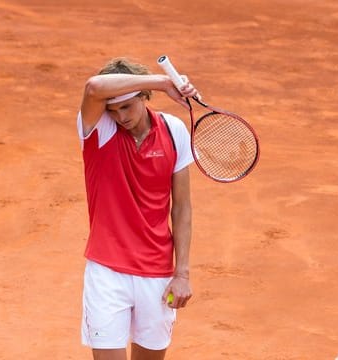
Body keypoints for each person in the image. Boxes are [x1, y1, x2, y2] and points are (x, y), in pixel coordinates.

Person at [77, 57, 200, 360]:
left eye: (127, 106)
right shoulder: (98, 130)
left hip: (156, 273)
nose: (120, 116)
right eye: (113, 109)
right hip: (107, 272)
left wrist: (182, 272)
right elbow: (93, 87)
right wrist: (162, 82)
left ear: (144, 99)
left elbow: (182, 207)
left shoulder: (174, 131)